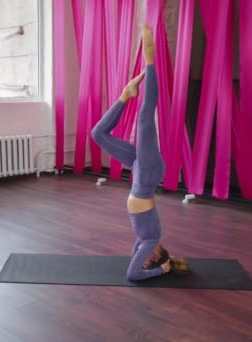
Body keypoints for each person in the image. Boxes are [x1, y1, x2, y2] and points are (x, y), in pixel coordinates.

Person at [91, 24, 190, 281]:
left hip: (140, 172)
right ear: (157, 252)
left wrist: (156, 267)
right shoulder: (152, 238)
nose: (145, 254)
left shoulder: (144, 240)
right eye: (151, 256)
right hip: (146, 176)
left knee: (97, 135)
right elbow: (134, 272)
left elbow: (134, 266)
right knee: (146, 115)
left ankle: (125, 95)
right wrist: (163, 268)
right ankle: (150, 59)